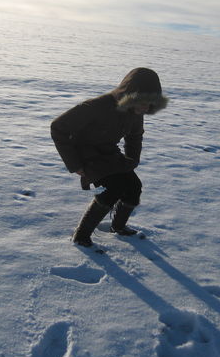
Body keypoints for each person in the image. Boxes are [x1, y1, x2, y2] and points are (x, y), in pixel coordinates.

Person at [50, 67, 168, 247]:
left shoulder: (135, 112)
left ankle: (118, 227)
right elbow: (58, 128)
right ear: (130, 95)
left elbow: (135, 136)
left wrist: (132, 160)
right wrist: (75, 165)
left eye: (150, 103)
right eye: (142, 101)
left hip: (109, 154)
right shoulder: (95, 107)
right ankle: (81, 236)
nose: (145, 108)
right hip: (86, 155)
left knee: (134, 187)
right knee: (113, 189)